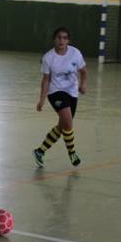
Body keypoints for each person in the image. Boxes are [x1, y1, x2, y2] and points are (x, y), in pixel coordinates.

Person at [33, 26, 87, 168]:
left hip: (72, 93)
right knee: (68, 122)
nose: (61, 40)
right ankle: (72, 153)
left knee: (63, 125)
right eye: (59, 37)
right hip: (55, 92)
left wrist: (83, 85)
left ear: (68, 40)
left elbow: (84, 72)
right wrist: (42, 100)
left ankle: (40, 151)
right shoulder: (48, 58)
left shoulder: (75, 53)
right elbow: (45, 80)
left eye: (64, 38)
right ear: (54, 39)